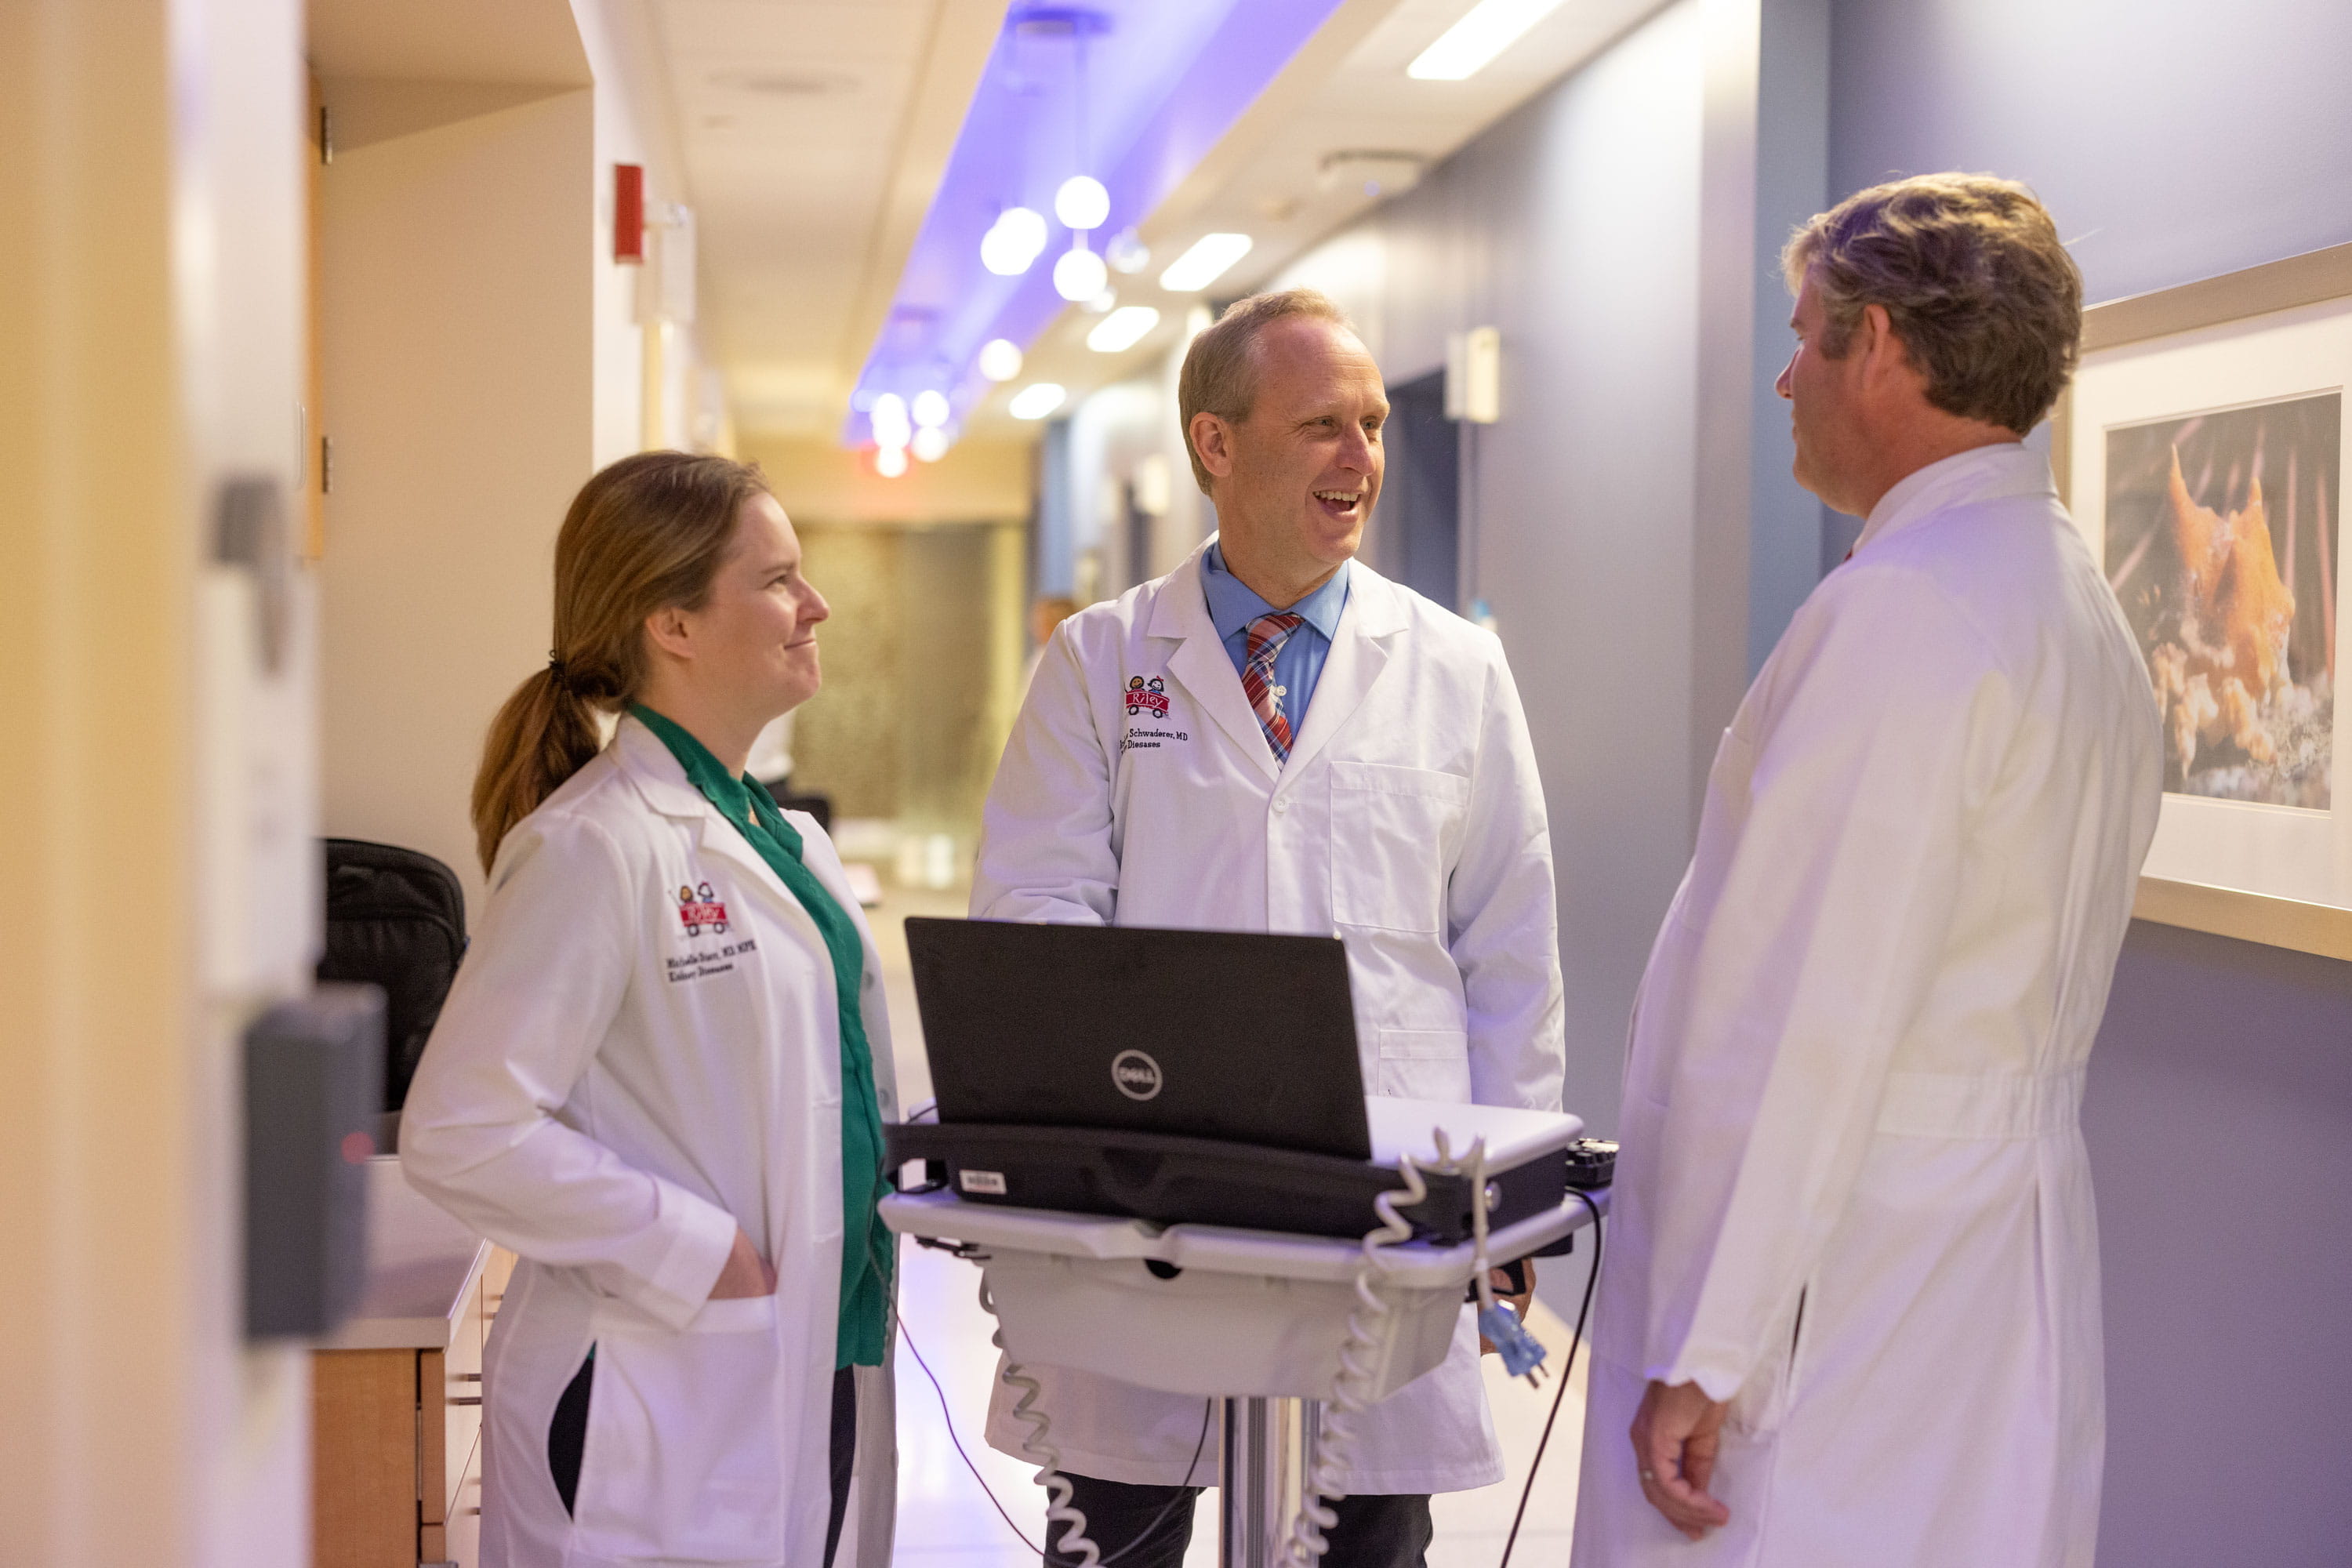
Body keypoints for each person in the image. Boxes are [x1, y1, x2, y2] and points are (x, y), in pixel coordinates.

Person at [1569, 175, 2162, 1566]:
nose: (1784, 377)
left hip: (1847, 1294)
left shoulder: (1905, 613)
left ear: (1881, 345)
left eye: (1804, 334)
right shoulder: (2072, 602)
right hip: (1983, 1263)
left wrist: (1710, 1351)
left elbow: (1811, 1018)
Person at [972, 288, 1566, 1567]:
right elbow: (1037, 914)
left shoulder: (1457, 668)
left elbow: (1507, 945)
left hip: (1388, 1193)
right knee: (1124, 1523)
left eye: (1369, 424)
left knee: (1365, 1535)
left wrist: (1506, 1205)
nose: (1359, 456)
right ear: (1216, 446)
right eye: (1321, 426)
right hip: (1154, 1191)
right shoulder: (1100, 661)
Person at [401, 452, 901, 1568]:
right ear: (672, 622)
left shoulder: (790, 842)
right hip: (659, 1376)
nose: (814, 605)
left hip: (812, 1352)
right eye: (778, 580)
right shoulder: (595, 846)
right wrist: (697, 1250)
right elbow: (462, 1129)